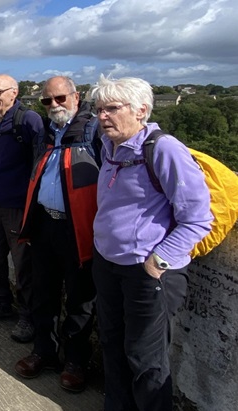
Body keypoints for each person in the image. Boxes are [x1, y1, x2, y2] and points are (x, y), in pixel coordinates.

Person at [91, 75, 211, 411]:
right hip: (108, 263)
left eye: (112, 108)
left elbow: (199, 217)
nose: (102, 116)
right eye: (99, 109)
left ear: (141, 110)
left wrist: (158, 262)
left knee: (146, 358)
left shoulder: (164, 149)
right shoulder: (109, 146)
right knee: (112, 343)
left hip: (146, 271)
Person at [15, 76, 101, 393]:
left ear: (75, 96)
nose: (54, 105)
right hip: (45, 225)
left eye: (60, 98)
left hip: (78, 228)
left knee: (80, 300)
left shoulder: (93, 129)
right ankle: (44, 353)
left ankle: (76, 361)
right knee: (44, 294)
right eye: (47, 101)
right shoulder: (51, 131)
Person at [0, 75, 45, 343]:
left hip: (17, 205)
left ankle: (28, 316)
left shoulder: (28, 120)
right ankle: (1, 302)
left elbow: (40, 160)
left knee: (23, 264)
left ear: (14, 93)